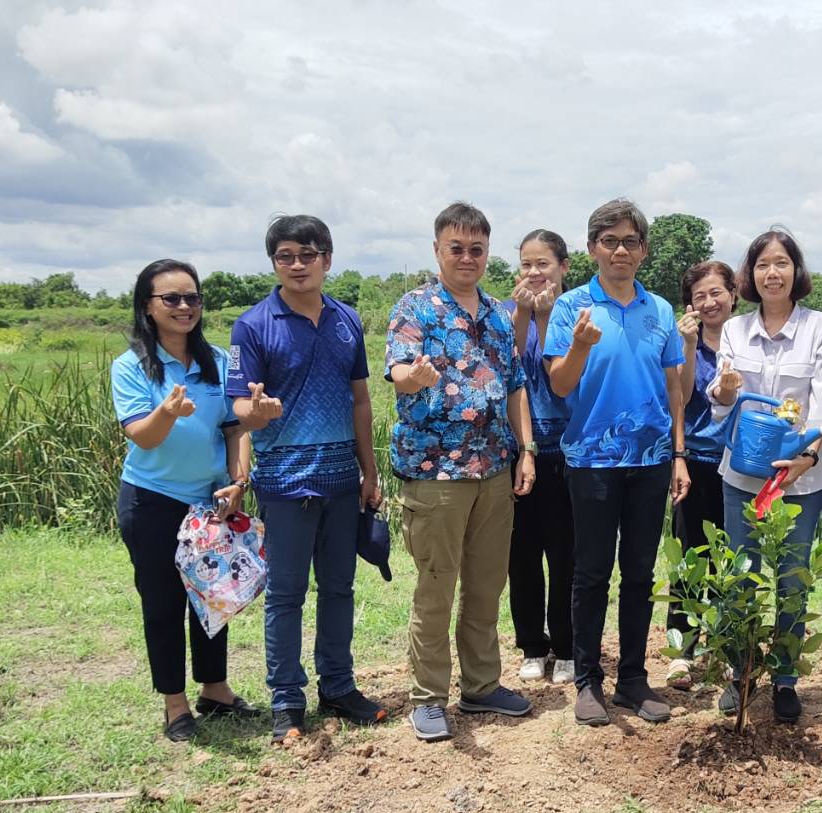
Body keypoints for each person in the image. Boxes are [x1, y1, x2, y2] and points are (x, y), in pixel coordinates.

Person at [227, 215, 387, 743]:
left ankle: (338, 687)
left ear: (327, 259)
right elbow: (240, 410)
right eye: (285, 256)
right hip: (284, 482)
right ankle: (287, 700)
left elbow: (360, 400)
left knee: (339, 588)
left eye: (308, 254)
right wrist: (256, 412)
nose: (297, 265)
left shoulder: (347, 321)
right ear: (274, 262)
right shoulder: (253, 325)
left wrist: (369, 470)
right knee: (286, 594)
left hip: (342, 480)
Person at [386, 203, 537, 743]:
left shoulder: (498, 314)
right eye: (457, 248)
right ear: (438, 250)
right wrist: (416, 376)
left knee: (485, 585)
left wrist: (526, 450)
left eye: (477, 249)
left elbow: (515, 385)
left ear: (487, 253)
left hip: (494, 467)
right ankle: (428, 697)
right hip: (436, 473)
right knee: (436, 586)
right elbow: (398, 371)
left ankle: (481, 685)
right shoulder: (414, 308)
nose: (467, 257)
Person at [544, 198, 690, 727]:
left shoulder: (661, 311)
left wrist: (678, 453)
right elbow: (560, 384)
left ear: (643, 250)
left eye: (630, 241)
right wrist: (580, 347)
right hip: (591, 460)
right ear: (592, 249)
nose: (620, 251)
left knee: (640, 572)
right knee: (590, 573)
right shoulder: (571, 308)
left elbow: (674, 388)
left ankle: (632, 678)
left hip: (652, 460)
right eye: (610, 241)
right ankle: (588, 680)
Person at [112, 259, 258, 742]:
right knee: (163, 602)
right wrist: (168, 411)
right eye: (171, 298)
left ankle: (215, 689)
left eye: (192, 297)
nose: (184, 307)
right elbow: (143, 436)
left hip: (209, 502)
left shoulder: (219, 359)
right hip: (151, 501)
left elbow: (235, 428)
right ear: (147, 307)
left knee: (213, 596)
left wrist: (238, 482)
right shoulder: (131, 366)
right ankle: (174, 704)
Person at [708, 229, 822, 723]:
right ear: (751, 274)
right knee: (741, 574)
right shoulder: (735, 330)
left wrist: (808, 456)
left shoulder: (819, 327)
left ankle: (784, 678)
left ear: (796, 270)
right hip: (742, 476)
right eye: (762, 264)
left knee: (792, 578)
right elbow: (722, 405)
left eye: (781, 262)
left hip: (800, 477)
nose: (772, 273)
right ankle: (738, 673)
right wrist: (724, 390)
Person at [507, 229, 576, 686]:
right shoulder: (506, 312)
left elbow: (560, 378)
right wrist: (522, 314)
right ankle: (533, 644)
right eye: (527, 265)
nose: (534, 273)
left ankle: (568, 646)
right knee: (523, 555)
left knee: (567, 555)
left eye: (543, 264)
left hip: (568, 452)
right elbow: (509, 367)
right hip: (520, 453)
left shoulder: (577, 312)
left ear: (563, 267)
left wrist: (546, 316)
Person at [664, 260, 735, 691]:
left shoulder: (749, 340)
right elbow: (682, 397)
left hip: (739, 468)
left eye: (716, 292)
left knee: (733, 562)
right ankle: (682, 650)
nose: (709, 302)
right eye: (699, 296)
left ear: (733, 295)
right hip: (695, 462)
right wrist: (689, 346)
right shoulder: (682, 342)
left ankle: (725, 647)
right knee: (689, 561)